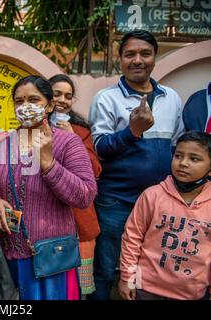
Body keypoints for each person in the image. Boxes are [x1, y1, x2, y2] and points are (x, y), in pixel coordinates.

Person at [88, 29, 185, 300]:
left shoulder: (172, 98)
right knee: (106, 268)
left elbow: (176, 147)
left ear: (155, 57)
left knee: (150, 266)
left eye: (145, 53)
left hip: (160, 201)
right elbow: (100, 150)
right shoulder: (107, 99)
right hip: (116, 201)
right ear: (120, 59)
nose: (137, 60)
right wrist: (132, 130)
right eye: (130, 54)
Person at [0, 75, 97, 300]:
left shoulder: (68, 143)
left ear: (49, 105)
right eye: (19, 101)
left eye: (33, 100)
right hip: (9, 257)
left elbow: (85, 195)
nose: (25, 106)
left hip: (51, 260)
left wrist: (49, 164)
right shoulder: (4, 143)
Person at [119, 131, 211, 300]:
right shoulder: (152, 195)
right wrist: (127, 278)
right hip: (146, 289)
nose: (183, 163)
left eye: (194, 159)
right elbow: (132, 239)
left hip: (191, 295)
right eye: (178, 156)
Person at [48, 74, 102, 296]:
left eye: (68, 96)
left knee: (79, 289)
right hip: (47, 219)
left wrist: (73, 139)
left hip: (80, 220)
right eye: (57, 94)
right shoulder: (31, 128)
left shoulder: (81, 130)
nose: (63, 100)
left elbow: (95, 171)